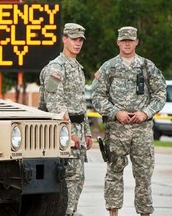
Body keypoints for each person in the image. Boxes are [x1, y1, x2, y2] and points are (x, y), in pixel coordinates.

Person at [91, 26, 166, 216]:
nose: (127, 43)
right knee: (114, 173)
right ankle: (113, 213)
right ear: (117, 42)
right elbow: (97, 95)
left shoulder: (147, 66)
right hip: (117, 130)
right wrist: (115, 112)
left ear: (136, 42)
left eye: (130, 40)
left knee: (143, 177)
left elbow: (160, 94)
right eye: (123, 40)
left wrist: (146, 113)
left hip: (142, 129)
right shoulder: (109, 67)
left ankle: (144, 213)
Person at [38, 23, 93, 216]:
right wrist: (68, 132)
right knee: (66, 178)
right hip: (61, 133)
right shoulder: (56, 68)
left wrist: (86, 132)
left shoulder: (77, 68)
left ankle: (70, 212)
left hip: (77, 129)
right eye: (73, 39)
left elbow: (80, 104)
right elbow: (55, 104)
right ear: (64, 39)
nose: (77, 43)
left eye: (80, 40)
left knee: (77, 178)